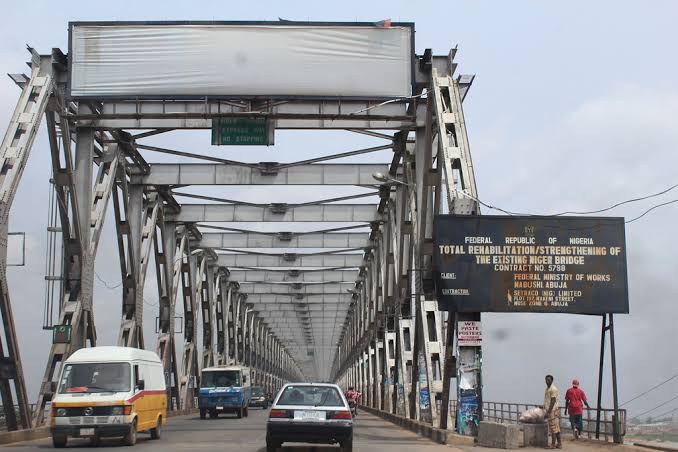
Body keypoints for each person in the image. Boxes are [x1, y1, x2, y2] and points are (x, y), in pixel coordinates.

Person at [544, 375, 562, 449]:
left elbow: (553, 401)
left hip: (552, 411)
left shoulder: (553, 389)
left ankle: (553, 444)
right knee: (556, 428)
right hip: (552, 410)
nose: (547, 381)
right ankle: (559, 444)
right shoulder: (547, 389)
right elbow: (547, 400)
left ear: (552, 380)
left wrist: (548, 412)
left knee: (553, 428)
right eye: (546, 380)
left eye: (549, 380)